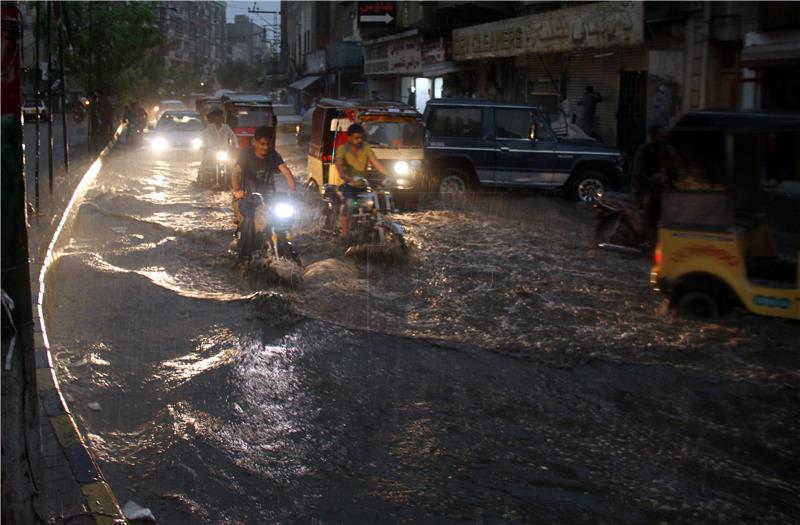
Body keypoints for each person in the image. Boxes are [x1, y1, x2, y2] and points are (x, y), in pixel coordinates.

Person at [231, 126, 297, 234]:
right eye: (262, 144)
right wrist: (237, 189)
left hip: (268, 197)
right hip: (246, 197)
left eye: (268, 144)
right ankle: (243, 245)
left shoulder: (274, 155)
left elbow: (286, 172)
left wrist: (293, 191)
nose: (266, 147)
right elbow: (235, 172)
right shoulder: (245, 154)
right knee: (248, 219)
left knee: (282, 221)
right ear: (254, 142)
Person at [334, 123, 389, 241]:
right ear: (349, 138)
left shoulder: (366, 148)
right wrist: (344, 176)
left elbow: (376, 163)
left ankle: (373, 231)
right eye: (356, 138)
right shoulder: (342, 149)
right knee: (348, 205)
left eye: (361, 138)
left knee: (376, 206)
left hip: (363, 186)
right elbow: (338, 165)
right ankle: (345, 234)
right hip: (347, 186)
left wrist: (389, 174)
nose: (359, 140)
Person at [630, 125, 683, 234]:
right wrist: (647, 188)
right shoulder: (645, 150)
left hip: (661, 189)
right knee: (653, 210)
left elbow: (671, 171)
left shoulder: (665, 151)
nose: (662, 138)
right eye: (660, 135)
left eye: (663, 136)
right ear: (654, 136)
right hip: (646, 189)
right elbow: (638, 172)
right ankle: (648, 234)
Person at [200, 107, 238, 178]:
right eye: (216, 116)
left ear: (221, 117)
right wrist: (203, 145)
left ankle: (231, 179)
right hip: (211, 151)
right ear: (213, 117)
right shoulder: (209, 128)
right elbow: (202, 137)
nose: (218, 118)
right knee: (204, 161)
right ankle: (202, 177)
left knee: (233, 164)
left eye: (219, 116)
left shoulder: (226, 127)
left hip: (224, 150)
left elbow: (233, 137)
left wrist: (236, 145)